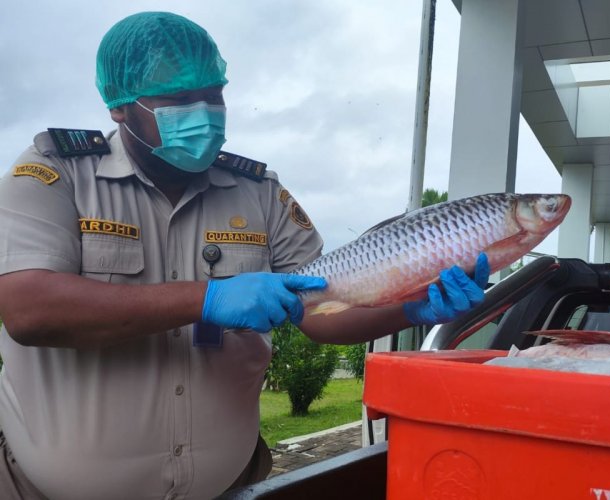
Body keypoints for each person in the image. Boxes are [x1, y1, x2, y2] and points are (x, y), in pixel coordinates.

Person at [0, 11, 489, 500]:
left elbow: (318, 308)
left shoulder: (259, 192)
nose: (204, 111)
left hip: (228, 487)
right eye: (179, 99)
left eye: (214, 95)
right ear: (120, 107)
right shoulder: (53, 174)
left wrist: (409, 307)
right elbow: (29, 308)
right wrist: (207, 299)